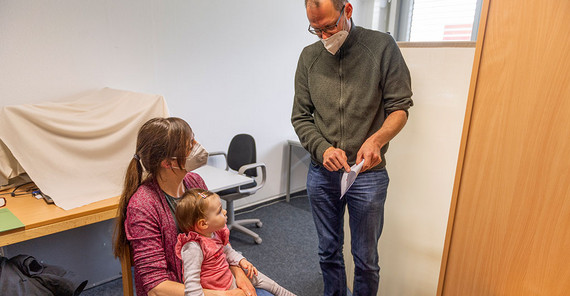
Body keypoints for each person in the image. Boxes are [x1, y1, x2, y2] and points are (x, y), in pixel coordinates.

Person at [291, 0, 413, 295]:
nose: (324, 37)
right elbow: (300, 116)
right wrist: (322, 149)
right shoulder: (309, 57)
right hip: (323, 174)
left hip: (367, 174)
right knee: (328, 252)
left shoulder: (382, 47)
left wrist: (376, 140)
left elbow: (400, 107)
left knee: (366, 259)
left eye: (330, 26)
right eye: (316, 29)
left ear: (347, 9)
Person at [113, 117, 271, 296]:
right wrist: (223, 295)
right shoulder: (143, 206)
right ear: (168, 163)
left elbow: (218, 239)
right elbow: (156, 287)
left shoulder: (194, 182)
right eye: (190, 145)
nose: (197, 146)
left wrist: (237, 272)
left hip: (214, 279)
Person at [174, 189, 296, 296]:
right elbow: (192, 286)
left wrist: (241, 260)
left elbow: (227, 251)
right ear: (203, 224)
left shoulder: (213, 233)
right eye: (219, 211)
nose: (225, 212)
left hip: (228, 278)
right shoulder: (193, 248)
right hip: (221, 290)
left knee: (265, 281)